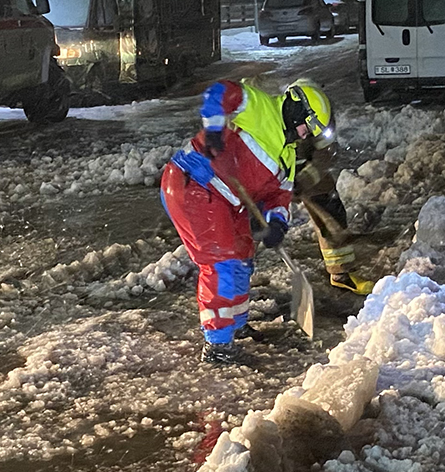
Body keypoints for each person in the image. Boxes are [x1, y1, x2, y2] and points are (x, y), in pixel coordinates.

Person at [160, 78, 329, 363]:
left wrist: (277, 223)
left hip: (227, 201)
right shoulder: (261, 107)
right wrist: (213, 128)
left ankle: (236, 326)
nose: (304, 136)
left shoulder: (287, 156)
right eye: (307, 127)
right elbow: (219, 92)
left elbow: (280, 197)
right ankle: (218, 347)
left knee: (242, 258)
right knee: (222, 261)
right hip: (194, 184)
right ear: (298, 109)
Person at [286, 79, 374, 295]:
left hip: (306, 164)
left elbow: (326, 154)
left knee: (330, 209)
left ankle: (341, 273)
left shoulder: (323, 116)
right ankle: (235, 289)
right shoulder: (280, 112)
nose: (307, 132)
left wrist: (304, 181)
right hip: (274, 168)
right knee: (255, 227)